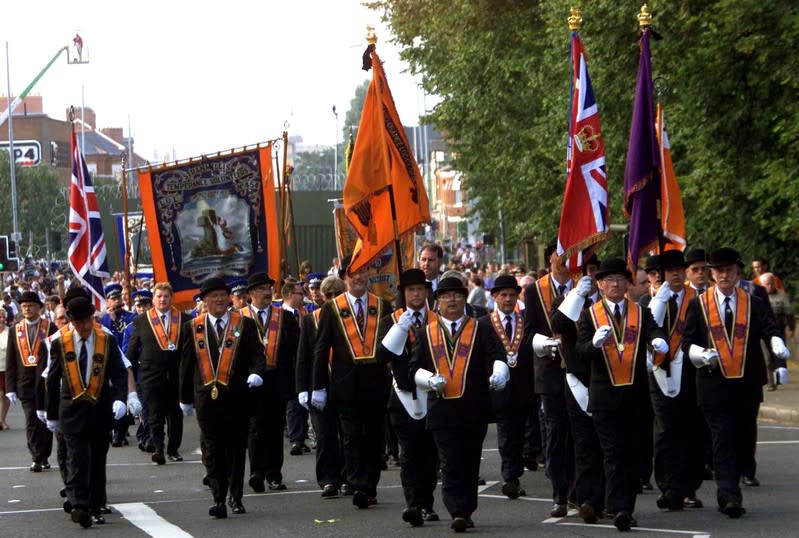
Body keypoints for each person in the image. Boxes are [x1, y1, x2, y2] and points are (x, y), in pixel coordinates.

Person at [682, 247, 790, 518]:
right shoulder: (699, 304)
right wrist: (700, 354)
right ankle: (729, 496)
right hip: (713, 383)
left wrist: (776, 344)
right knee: (722, 438)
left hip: (747, 382)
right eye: (718, 271)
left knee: (743, 437)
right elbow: (687, 342)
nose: (723, 275)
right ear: (712, 275)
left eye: (728, 270)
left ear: (737, 272)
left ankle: (740, 473)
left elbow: (769, 327)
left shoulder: (752, 301)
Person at [409, 276, 507, 532]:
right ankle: (457, 511)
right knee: (450, 461)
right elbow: (414, 368)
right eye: (446, 296)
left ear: (465, 299)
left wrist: (499, 371)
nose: (452, 300)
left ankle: (467, 508)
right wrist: (429, 380)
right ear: (437, 301)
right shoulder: (426, 332)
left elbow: (497, 354)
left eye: (457, 295)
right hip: (442, 408)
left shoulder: (481, 327)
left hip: (474, 407)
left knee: (470, 460)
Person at [576, 258, 668, 531]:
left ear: (628, 283)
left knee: (634, 453)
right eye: (609, 280)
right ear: (601, 285)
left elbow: (654, 330)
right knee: (614, 452)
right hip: (604, 396)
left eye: (620, 279)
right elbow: (580, 351)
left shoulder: (639, 312)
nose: (616, 284)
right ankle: (620, 508)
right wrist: (593, 344)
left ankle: (621, 502)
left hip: (635, 394)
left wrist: (657, 339)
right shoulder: (590, 314)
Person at [179, 277, 266, 518]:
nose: (219, 299)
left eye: (222, 295)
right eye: (213, 295)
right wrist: (184, 397)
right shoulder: (193, 326)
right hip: (206, 398)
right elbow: (186, 364)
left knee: (236, 447)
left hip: (237, 396)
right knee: (212, 447)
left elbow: (257, 353)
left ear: (229, 298)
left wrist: (257, 373)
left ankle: (235, 496)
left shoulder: (244, 324)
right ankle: (218, 497)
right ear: (204, 300)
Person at [312, 256, 391, 509]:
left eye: (363, 271)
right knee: (351, 437)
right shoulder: (332, 308)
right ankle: (358, 484)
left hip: (376, 384)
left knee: (374, 438)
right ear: (344, 277)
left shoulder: (382, 306)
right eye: (353, 273)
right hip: (345, 386)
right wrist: (318, 386)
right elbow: (321, 349)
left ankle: (371, 485)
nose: (358, 277)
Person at [44, 291, 128, 528]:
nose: (83, 326)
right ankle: (80, 506)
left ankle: (95, 505)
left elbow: (119, 372)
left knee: (97, 460)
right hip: (71, 410)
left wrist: (120, 398)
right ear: (71, 321)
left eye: (86, 320)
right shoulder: (60, 343)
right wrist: (50, 414)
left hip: (99, 409)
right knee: (78, 458)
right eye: (78, 321)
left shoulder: (106, 340)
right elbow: (52, 379)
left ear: (93, 317)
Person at [641, 250, 706, 511]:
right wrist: (657, 304)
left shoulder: (698, 300)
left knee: (692, 430)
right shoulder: (650, 300)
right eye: (670, 271)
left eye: (681, 269)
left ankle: (690, 487)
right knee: (666, 430)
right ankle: (669, 487)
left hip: (691, 372)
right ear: (660, 275)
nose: (677, 274)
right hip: (660, 372)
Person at [379, 268, 439, 526]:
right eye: (411, 290)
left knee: (431, 454)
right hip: (403, 395)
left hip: (432, 395)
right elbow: (381, 357)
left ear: (426, 292)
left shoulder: (437, 319)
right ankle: (414, 504)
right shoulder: (391, 320)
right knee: (409, 454)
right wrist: (398, 331)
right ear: (403, 294)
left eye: (420, 289)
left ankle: (427, 501)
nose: (416, 294)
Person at [551, 256, 605, 524]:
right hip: (577, 378)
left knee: (607, 443)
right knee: (583, 443)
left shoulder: (608, 303)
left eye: (596, 271)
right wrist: (576, 296)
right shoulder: (567, 302)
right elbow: (558, 325)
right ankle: (587, 499)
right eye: (587, 271)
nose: (591, 276)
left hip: (607, 379)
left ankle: (605, 498)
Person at [524, 244, 574, 517]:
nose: (564, 261)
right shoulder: (534, 290)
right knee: (556, 432)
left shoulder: (583, 286)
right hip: (550, 371)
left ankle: (582, 490)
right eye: (560, 256)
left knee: (580, 432)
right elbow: (529, 329)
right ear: (550, 259)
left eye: (569, 256)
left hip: (579, 370)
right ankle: (560, 493)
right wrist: (544, 343)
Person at [241, 272, 300, 493]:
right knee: (255, 427)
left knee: (275, 427)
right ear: (250, 294)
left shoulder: (284, 317)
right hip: (251, 381)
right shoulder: (240, 317)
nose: (267, 293)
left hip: (277, 379)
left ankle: (274, 473)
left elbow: (296, 348)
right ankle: (257, 471)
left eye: (268, 288)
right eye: (261, 289)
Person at [296, 275, 349, 498]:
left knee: (347, 435)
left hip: (344, 384)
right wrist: (302, 389)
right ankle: (328, 479)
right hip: (319, 385)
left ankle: (348, 477)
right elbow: (303, 357)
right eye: (328, 295)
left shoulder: (350, 319)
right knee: (325, 435)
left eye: (336, 294)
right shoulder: (311, 320)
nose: (331, 299)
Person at [126, 283, 189, 465]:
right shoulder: (141, 321)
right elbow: (132, 349)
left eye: (166, 296)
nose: (162, 300)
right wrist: (129, 373)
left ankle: (173, 449)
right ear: (153, 299)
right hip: (151, 376)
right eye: (159, 296)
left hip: (176, 375)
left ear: (171, 298)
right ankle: (158, 449)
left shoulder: (183, 319)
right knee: (154, 415)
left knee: (175, 415)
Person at [486, 274, 535, 501]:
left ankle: (517, 470)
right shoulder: (484, 324)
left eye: (512, 295)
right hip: (499, 388)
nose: (508, 299)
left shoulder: (526, 320)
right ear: (494, 296)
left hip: (525, 386)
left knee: (521, 432)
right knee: (506, 433)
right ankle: (510, 478)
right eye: (503, 295)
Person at [5, 290, 57, 470]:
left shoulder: (50, 328)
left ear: (39, 308)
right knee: (31, 421)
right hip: (25, 383)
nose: (27, 309)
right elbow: (10, 361)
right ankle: (36, 456)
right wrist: (10, 387)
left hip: (45, 382)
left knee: (46, 420)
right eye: (24, 306)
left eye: (31, 305)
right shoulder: (15, 330)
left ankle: (45, 455)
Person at [100, 282, 137, 447]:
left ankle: (119, 433)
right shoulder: (103, 320)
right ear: (107, 301)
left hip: (124, 360)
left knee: (121, 394)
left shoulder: (130, 317)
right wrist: (111, 321)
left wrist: (116, 323)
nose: (115, 301)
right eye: (112, 298)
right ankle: (111, 428)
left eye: (117, 297)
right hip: (106, 362)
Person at [760, 272, 793, 389]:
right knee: (768, 356)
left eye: (771, 283)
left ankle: (779, 377)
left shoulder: (781, 295)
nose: (769, 286)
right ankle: (771, 382)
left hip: (779, 329)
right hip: (764, 331)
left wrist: (791, 327)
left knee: (779, 354)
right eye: (766, 284)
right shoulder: (758, 296)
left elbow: (788, 312)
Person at [0, 313, 10, 431]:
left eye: (3, 317)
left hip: (6, 369)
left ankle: (2, 420)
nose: (2, 319)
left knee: (4, 395)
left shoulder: (10, 332)